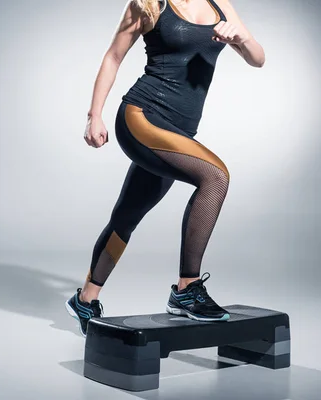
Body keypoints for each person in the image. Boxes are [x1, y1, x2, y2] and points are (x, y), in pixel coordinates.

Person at [66, 0, 265, 336]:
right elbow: (113, 56)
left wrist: (241, 38)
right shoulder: (148, 5)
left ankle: (85, 299)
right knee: (215, 177)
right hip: (142, 116)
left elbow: (258, 59)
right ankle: (186, 289)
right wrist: (94, 115)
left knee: (127, 215)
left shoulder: (219, 4)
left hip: (180, 130)